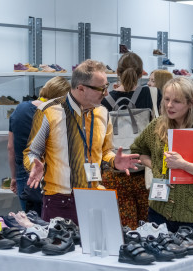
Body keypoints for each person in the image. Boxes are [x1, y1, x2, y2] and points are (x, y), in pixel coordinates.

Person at [23, 59, 140, 225]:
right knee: (59, 250)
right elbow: (32, 152)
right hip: (60, 200)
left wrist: (114, 161)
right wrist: (33, 166)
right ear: (81, 88)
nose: (106, 93)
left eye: (107, 86)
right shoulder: (49, 111)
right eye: (102, 88)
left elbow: (106, 151)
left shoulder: (103, 113)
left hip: (95, 198)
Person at [130, 77, 193, 238]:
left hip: (192, 216)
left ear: (190, 103)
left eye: (176, 101)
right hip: (158, 211)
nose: (169, 105)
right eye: (167, 99)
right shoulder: (157, 125)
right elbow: (137, 150)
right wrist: (156, 166)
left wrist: (183, 165)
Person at [101, 52, 162, 229]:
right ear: (142, 72)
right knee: (150, 226)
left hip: (115, 171)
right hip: (146, 170)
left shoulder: (105, 100)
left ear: (117, 72)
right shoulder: (153, 94)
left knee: (123, 229)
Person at [8, 76, 71, 215]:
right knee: (55, 225)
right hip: (51, 179)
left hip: (24, 176)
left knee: (30, 224)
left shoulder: (20, 109)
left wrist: (13, 177)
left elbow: (10, 147)